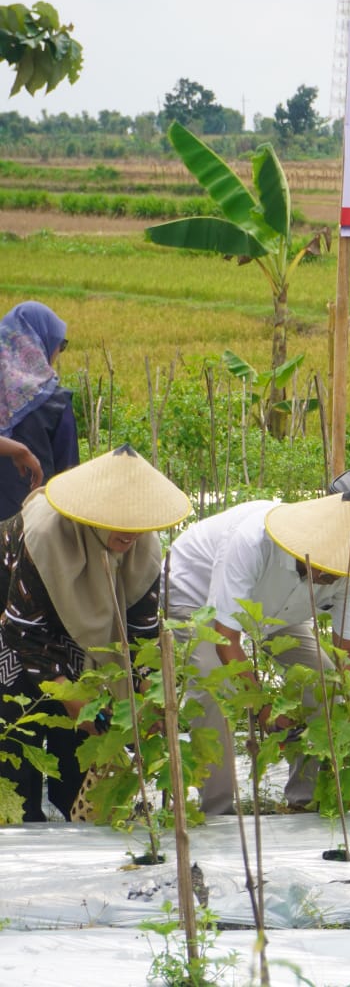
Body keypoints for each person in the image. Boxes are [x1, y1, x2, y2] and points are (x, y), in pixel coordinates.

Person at [170, 493, 350, 815]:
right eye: (326, 567)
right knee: (213, 688)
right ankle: (217, 810)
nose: (334, 576)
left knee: (325, 687)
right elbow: (226, 637)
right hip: (197, 597)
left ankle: (305, 801)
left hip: (277, 612)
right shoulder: (253, 541)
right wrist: (262, 708)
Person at [0, 445, 191, 822]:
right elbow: (25, 632)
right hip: (13, 622)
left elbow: (141, 633)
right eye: (120, 521)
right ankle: (19, 834)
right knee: (16, 734)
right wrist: (75, 701)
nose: (132, 533)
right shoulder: (46, 535)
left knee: (84, 748)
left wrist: (152, 695)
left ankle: (78, 828)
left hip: (76, 631)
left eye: (140, 522)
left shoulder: (143, 550)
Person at [0, 301, 79, 520]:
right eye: (60, 344)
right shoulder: (55, 401)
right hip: (33, 529)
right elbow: (69, 476)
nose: (58, 352)